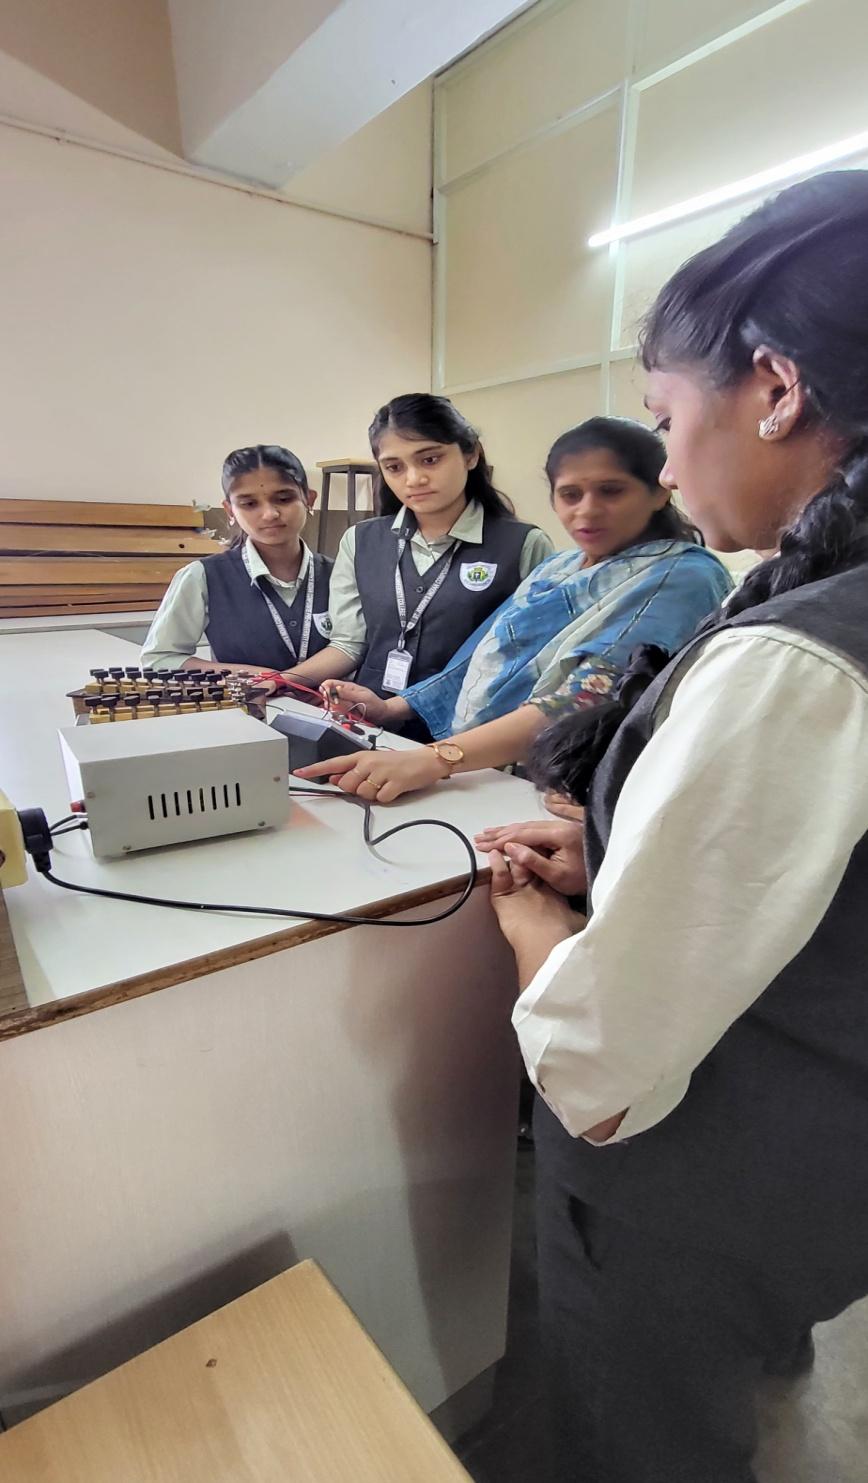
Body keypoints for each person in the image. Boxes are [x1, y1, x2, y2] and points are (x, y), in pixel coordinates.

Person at [480, 168, 868, 1483]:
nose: (664, 461)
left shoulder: (791, 654)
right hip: (823, 1156)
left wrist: (536, 923)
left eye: (663, 420)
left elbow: (605, 1067)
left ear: (775, 388)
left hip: (692, 1198)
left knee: (634, 1438)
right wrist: (625, 853)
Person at [296, 416, 731, 800]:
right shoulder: (559, 567)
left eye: (611, 491)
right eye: (570, 494)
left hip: (576, 785)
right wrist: (390, 708)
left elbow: (585, 697)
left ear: (659, 491)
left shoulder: (682, 575)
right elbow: (477, 658)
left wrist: (435, 759)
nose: (588, 510)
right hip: (490, 769)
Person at [274, 393, 553, 718]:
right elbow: (348, 644)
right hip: (370, 720)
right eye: (394, 467)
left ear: (471, 454)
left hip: (471, 727)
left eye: (430, 459)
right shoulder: (360, 541)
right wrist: (278, 682)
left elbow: (530, 657)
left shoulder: (524, 545)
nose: (414, 479)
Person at [141, 445, 333, 676]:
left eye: (284, 498)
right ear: (230, 510)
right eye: (249, 504)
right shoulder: (203, 577)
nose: (269, 514)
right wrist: (251, 675)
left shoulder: (340, 574)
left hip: (338, 700)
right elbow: (159, 658)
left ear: (309, 499)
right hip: (245, 700)